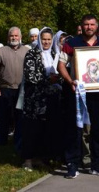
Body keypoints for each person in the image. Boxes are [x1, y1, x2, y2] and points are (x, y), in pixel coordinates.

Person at [58, 14, 99, 178]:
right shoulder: (71, 43)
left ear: (96, 26)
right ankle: (72, 164)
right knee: (74, 129)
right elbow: (61, 65)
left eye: (92, 24)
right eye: (86, 24)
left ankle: (97, 164)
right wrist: (70, 81)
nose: (89, 27)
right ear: (81, 26)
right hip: (77, 93)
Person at [21, 27, 62, 170]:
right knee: (32, 129)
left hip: (50, 99)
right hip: (34, 100)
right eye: (44, 39)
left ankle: (41, 157)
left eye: (49, 39)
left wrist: (59, 79)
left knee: (46, 129)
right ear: (39, 39)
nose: (46, 42)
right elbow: (31, 76)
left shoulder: (54, 53)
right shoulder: (32, 54)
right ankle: (28, 159)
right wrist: (49, 79)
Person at [0, 27, 29, 149]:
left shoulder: (27, 51)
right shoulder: (1, 51)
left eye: (16, 36)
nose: (14, 38)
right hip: (5, 88)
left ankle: (18, 142)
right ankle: (1, 141)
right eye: (12, 36)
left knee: (20, 117)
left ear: (20, 37)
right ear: (8, 37)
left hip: (21, 90)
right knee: (3, 116)